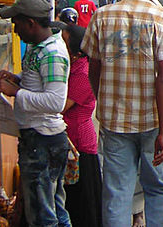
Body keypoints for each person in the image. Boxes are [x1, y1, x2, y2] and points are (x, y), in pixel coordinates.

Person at [82, 0, 163, 227]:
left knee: (116, 191)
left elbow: (94, 68)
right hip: (153, 121)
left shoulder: (102, 16)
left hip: (114, 120)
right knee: (159, 188)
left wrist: (104, 102)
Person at [0, 0, 71, 227]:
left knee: (42, 214)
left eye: (16, 23)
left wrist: (15, 92)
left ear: (31, 23)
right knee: (54, 209)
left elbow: (55, 101)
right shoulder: (40, 48)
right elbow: (38, 85)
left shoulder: (52, 53)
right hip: (40, 139)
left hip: (43, 140)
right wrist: (15, 79)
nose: (15, 30)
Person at [61, 24, 102, 227]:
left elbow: (61, 106)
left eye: (64, 42)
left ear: (76, 51)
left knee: (81, 203)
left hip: (79, 143)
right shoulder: (73, 68)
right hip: (72, 140)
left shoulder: (82, 73)